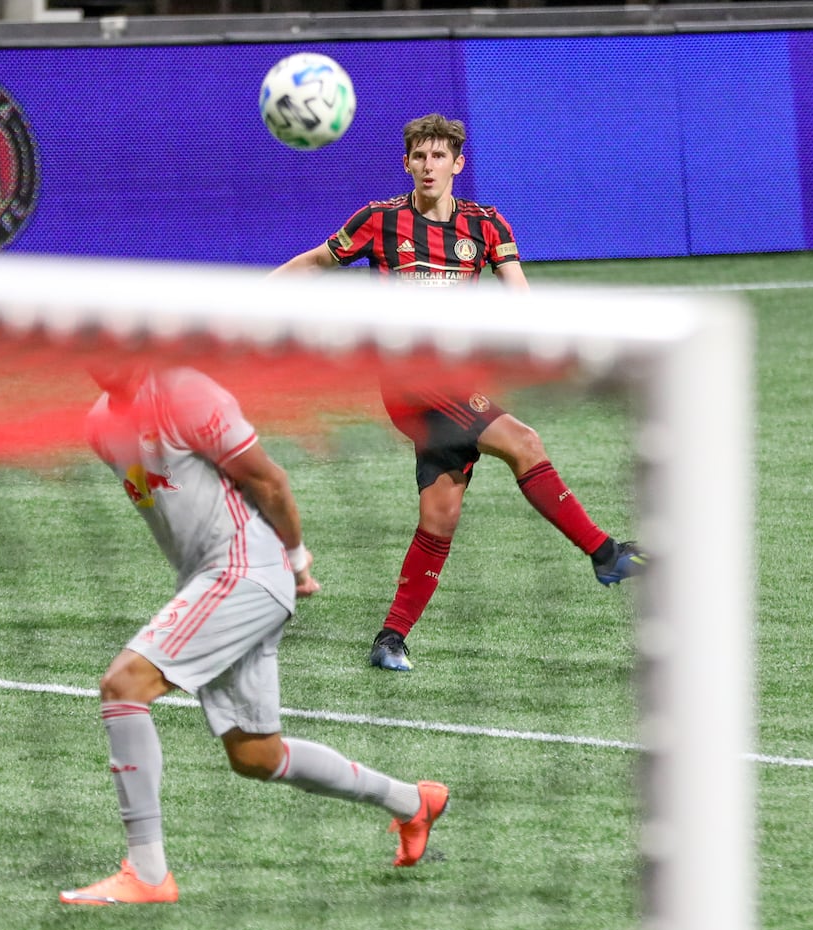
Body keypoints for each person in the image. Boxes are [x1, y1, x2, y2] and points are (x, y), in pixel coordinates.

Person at [60, 361, 448, 906]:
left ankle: (147, 873)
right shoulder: (101, 423)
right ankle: (414, 802)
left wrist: (294, 560)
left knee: (124, 686)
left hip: (244, 573)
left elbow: (267, 478)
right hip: (216, 578)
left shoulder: (186, 394)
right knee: (256, 756)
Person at [271, 112, 646, 672]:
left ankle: (390, 638)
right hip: (408, 381)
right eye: (419, 156)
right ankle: (605, 553)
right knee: (523, 441)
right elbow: (317, 262)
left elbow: (518, 294)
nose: (428, 166)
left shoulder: (487, 225)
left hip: (457, 382)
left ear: (457, 164)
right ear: (406, 163)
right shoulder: (378, 220)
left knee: (439, 518)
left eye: (439, 156)